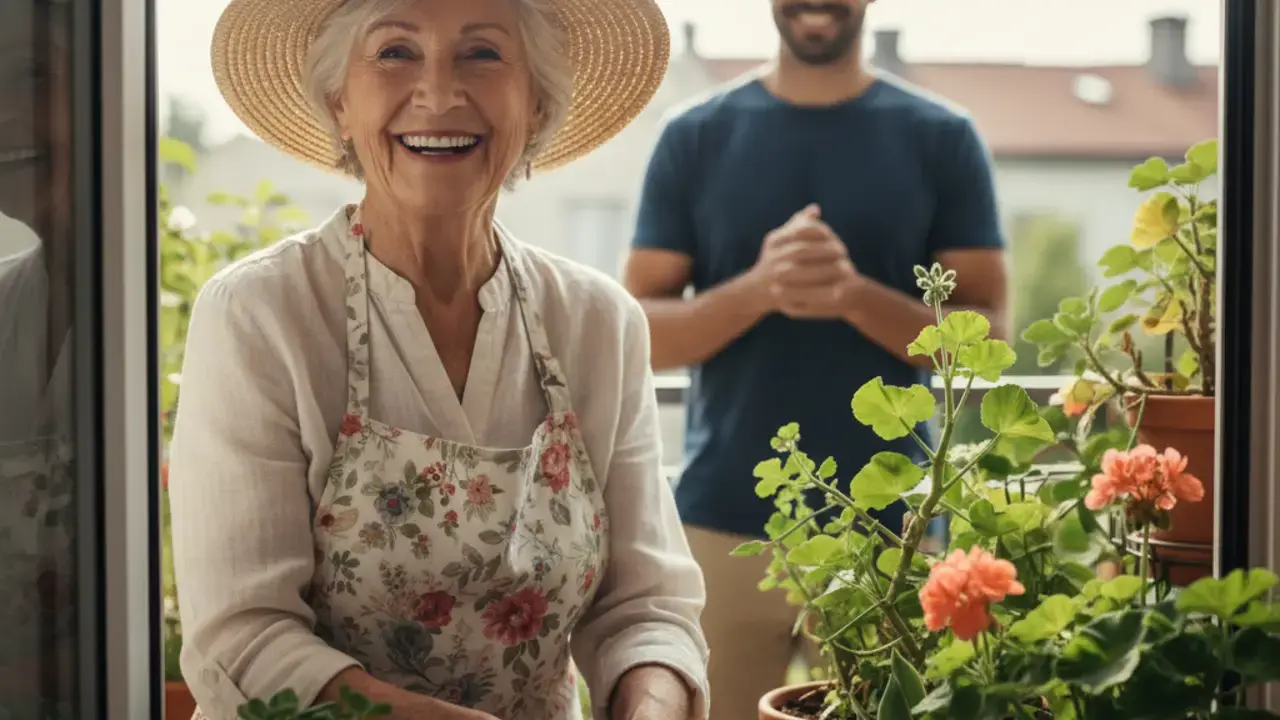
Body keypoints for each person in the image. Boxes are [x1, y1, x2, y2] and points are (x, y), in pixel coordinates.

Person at [167, 1, 708, 719]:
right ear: (339, 103)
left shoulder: (598, 322)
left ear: (538, 105)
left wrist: (650, 705)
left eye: (482, 54)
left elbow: (649, 608)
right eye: (395, 52)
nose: (440, 92)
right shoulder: (260, 314)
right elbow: (245, 636)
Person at [623, 0, 1009, 716]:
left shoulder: (941, 137)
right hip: (721, 525)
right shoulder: (694, 137)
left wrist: (853, 294)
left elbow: (989, 336)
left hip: (893, 534)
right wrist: (761, 288)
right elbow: (637, 332)